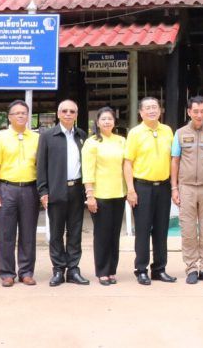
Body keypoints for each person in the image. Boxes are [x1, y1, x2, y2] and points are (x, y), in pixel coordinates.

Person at [124, 97, 176, 285]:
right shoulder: (135, 133)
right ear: (141, 112)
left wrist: (174, 186)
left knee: (162, 230)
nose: (152, 110)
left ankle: (159, 269)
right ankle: (141, 269)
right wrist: (131, 189)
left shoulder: (167, 131)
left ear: (160, 110)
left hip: (163, 187)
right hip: (142, 187)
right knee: (143, 230)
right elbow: (127, 163)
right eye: (148, 108)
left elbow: (173, 159)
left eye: (155, 107)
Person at [37, 99, 89, 286]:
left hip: (77, 189)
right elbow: (41, 166)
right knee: (56, 232)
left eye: (72, 111)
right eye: (64, 111)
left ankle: (73, 269)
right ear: (58, 114)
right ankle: (58, 269)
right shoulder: (47, 136)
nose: (68, 114)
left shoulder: (82, 135)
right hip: (56, 190)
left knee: (75, 231)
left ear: (76, 115)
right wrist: (43, 191)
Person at [170, 95, 203, 284]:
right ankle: (191, 268)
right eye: (196, 111)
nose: (199, 115)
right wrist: (174, 188)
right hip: (186, 188)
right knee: (188, 230)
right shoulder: (180, 133)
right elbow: (175, 161)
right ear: (189, 112)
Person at [0, 99, 40, 286]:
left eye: (24, 113)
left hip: (30, 189)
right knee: (6, 233)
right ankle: (7, 273)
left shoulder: (36, 138)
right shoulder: (0, 138)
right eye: (16, 113)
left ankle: (26, 272)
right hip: (6, 189)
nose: (20, 116)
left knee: (28, 233)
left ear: (28, 116)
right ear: (9, 117)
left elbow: (41, 165)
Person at [82, 107, 127, 285]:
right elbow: (88, 170)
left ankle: (112, 270)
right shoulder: (91, 142)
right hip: (100, 195)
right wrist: (90, 195)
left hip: (119, 194)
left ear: (114, 122)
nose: (107, 122)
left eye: (110, 119)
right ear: (97, 122)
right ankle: (102, 271)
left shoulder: (121, 140)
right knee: (102, 235)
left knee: (114, 234)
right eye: (103, 119)